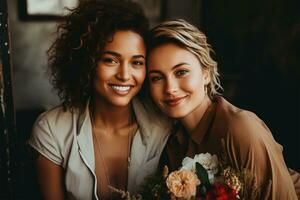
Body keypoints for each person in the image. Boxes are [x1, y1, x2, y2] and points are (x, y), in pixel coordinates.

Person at [28, 1, 171, 199]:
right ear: (87, 62)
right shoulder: (52, 130)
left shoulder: (163, 127)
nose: (124, 75)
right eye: (110, 60)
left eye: (137, 62)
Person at [147, 19, 300, 199]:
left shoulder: (241, 129)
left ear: (206, 74)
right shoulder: (170, 140)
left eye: (181, 72)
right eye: (157, 78)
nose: (170, 88)